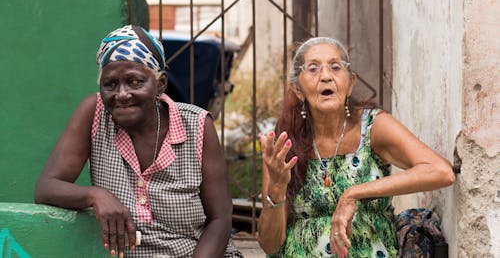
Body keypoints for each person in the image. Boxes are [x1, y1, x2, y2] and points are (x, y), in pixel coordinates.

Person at [35, 25, 242, 258]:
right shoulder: (94, 114)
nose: (121, 94)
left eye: (135, 82)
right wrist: (96, 195)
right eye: (110, 84)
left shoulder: (196, 125)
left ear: (160, 84)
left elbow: (220, 218)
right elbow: (46, 187)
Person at [257, 37, 455, 257]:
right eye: (313, 69)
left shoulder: (373, 126)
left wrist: (353, 194)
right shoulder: (285, 144)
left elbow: (441, 171)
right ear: (298, 89)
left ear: (350, 83)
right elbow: (269, 245)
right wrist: (276, 187)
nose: (325, 76)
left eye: (335, 67)